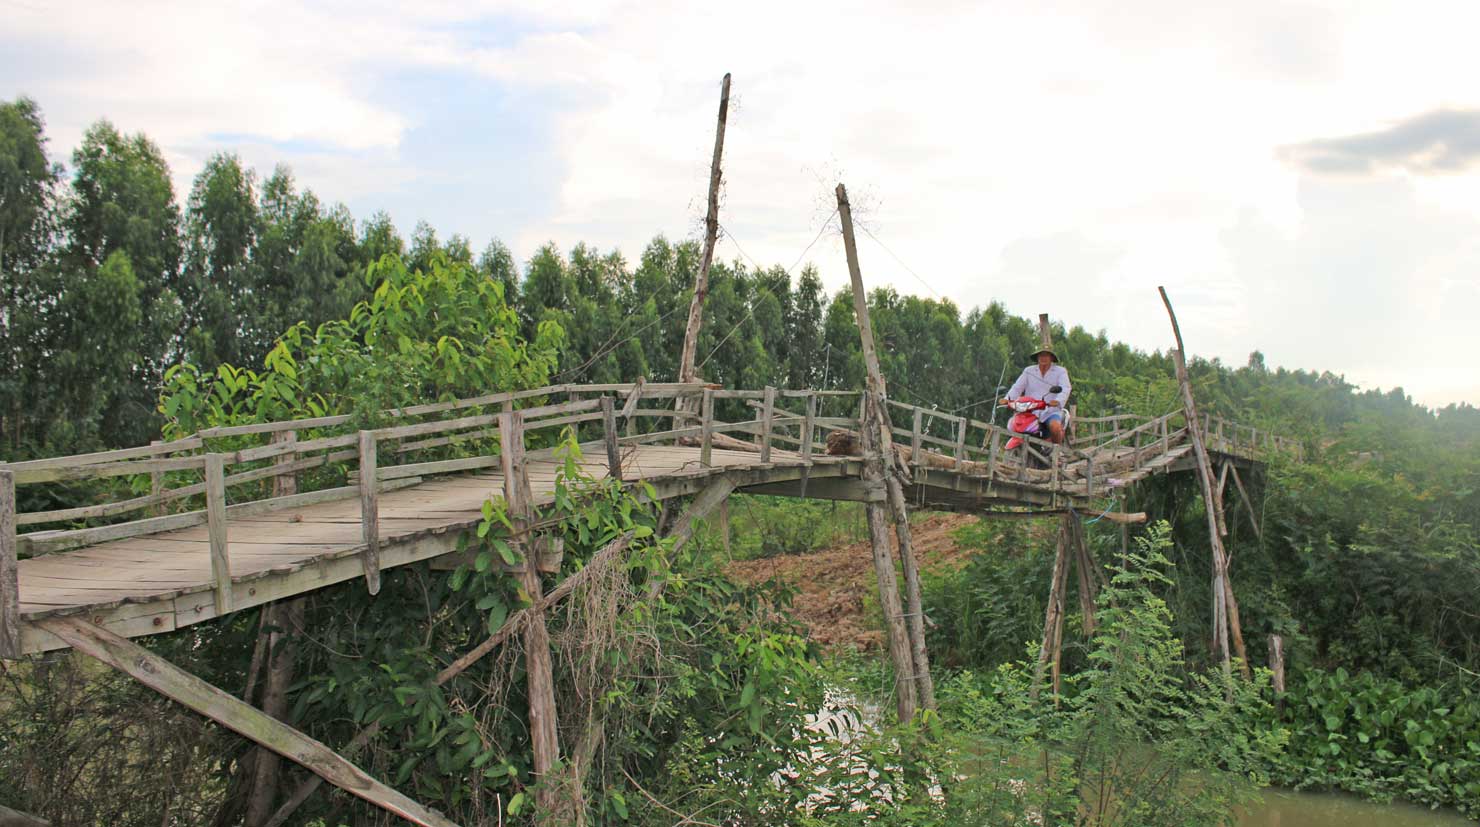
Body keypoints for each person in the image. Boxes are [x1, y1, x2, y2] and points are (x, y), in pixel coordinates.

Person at [1001, 346, 1072, 444]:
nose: (1043, 358)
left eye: (1046, 355)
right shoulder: (1028, 371)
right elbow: (1017, 387)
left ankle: (1057, 452)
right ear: (1037, 357)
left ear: (1051, 358)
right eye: (1041, 355)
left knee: (1055, 427)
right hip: (1029, 410)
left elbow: (1065, 388)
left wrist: (1057, 401)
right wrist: (1007, 399)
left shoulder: (1060, 371)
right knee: (1013, 424)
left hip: (1050, 411)